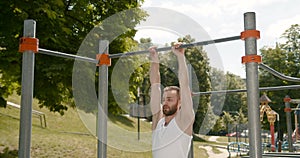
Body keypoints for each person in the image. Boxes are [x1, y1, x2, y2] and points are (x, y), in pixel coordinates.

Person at [149, 43, 194, 158]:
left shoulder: (184, 121)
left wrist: (180, 56)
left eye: (169, 99)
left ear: (180, 102)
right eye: (164, 99)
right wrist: (154, 59)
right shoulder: (158, 120)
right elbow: (155, 84)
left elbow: (184, 85)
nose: (165, 102)